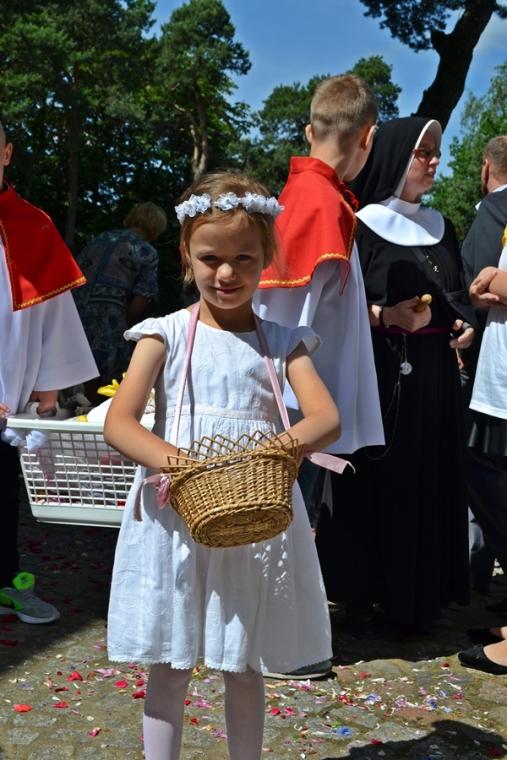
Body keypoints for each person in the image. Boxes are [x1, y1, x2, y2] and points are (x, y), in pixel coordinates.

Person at [104, 172, 341, 760]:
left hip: (252, 520)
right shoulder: (162, 336)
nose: (227, 273)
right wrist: (184, 466)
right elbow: (121, 423)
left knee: (243, 660)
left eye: (244, 258)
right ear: (186, 254)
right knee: (169, 660)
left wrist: (268, 455)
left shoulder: (283, 342)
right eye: (211, 258)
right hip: (176, 519)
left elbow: (325, 419)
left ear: (267, 258)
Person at [327, 116, 475, 634]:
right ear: (396, 156)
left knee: (429, 477)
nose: (434, 161)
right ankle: (365, 593)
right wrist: (386, 316)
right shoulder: (361, 224)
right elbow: (338, 305)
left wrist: (462, 324)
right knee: (382, 479)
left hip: (434, 373)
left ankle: (420, 596)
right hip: (382, 368)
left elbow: (454, 291)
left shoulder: (442, 225)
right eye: (423, 152)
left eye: (437, 152)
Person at [0, 119, 98, 623]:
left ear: (7, 154)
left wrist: (48, 391)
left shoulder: (32, 225)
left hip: (9, 400)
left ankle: (6, 583)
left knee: (2, 497)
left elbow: (54, 313)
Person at [460, 136, 507, 601]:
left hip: (497, 377)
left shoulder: (493, 210)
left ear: (485, 170)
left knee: (483, 472)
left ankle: (475, 578)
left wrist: (492, 279)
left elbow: (476, 276)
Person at [73, 201, 167, 401]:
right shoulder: (147, 251)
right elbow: (143, 296)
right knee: (104, 386)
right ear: (156, 227)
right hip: (111, 319)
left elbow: (74, 274)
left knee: (75, 372)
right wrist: (126, 325)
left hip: (77, 312)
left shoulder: (100, 239)